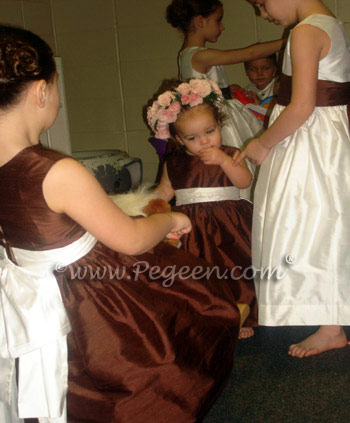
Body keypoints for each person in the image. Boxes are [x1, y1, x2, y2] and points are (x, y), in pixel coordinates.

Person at [0, 25, 243, 423]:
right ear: (42, 91)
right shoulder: (55, 170)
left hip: (23, 295)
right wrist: (171, 218)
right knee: (198, 306)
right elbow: (130, 240)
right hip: (82, 295)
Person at [235, 0, 350, 358]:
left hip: (311, 139)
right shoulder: (330, 23)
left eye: (261, 3)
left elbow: (301, 106)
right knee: (325, 222)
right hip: (325, 135)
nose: (263, 14)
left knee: (308, 221)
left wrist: (261, 143)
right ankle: (328, 316)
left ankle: (331, 324)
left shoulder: (304, 32)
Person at [148, 78, 258, 339]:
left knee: (235, 267)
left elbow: (245, 181)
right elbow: (165, 191)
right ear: (178, 139)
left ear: (219, 125)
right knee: (197, 272)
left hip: (230, 223)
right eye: (193, 138)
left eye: (210, 132)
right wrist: (150, 207)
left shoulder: (229, 153)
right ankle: (204, 315)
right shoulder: (173, 163)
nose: (205, 142)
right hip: (191, 226)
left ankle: (240, 313)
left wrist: (223, 161)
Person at [166, 0, 285, 199]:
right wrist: (288, 41)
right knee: (239, 165)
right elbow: (250, 53)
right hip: (217, 121)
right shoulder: (198, 55)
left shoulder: (188, 55)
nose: (222, 27)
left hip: (221, 112)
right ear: (200, 21)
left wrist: (229, 89)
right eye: (218, 20)